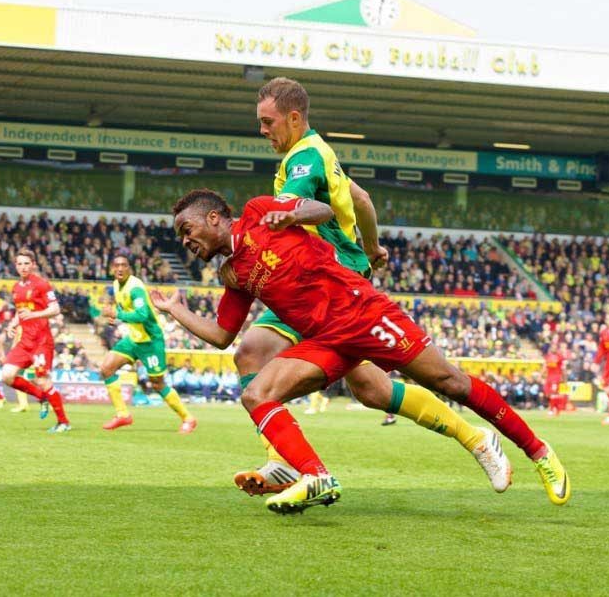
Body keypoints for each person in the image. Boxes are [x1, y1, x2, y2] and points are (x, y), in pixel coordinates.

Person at [155, 190, 569, 513]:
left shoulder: (261, 210)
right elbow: (223, 334)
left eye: (187, 230)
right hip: (326, 340)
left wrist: (294, 215)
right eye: (181, 236)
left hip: (363, 314)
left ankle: (538, 452)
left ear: (213, 218)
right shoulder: (234, 272)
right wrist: (176, 310)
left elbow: (324, 210)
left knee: (451, 382)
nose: (185, 240)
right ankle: (315, 476)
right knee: (256, 394)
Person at [232, 76, 502, 498]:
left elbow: (302, 202)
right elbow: (362, 200)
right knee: (367, 388)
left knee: (369, 384)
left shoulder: (303, 161)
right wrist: (373, 247)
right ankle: (283, 460)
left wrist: (274, 221)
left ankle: (476, 438)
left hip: (333, 285)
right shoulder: (324, 156)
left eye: (268, 122)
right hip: (319, 282)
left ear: (294, 117)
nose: (262, 130)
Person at [98, 255, 196, 433]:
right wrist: (116, 314)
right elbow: (125, 308)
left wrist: (117, 314)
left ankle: (188, 418)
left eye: (124, 265)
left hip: (150, 340)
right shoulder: (115, 284)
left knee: (157, 383)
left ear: (130, 268)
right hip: (134, 338)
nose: (120, 269)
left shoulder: (135, 288)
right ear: (112, 268)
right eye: (116, 265)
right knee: (106, 368)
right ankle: (122, 415)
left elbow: (142, 315)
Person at [1, 249, 71, 434]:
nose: (23, 267)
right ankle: (41, 397)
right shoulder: (16, 288)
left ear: (33, 265)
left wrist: (34, 314)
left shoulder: (42, 284)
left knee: (42, 379)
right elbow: (21, 310)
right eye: (20, 263)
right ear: (16, 266)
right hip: (25, 341)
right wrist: (13, 323)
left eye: (26, 263)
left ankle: (63, 422)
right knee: (7, 375)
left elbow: (55, 308)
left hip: (41, 341)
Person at [543, 346, 566, 417]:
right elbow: (545, 366)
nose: (553, 348)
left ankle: (551, 410)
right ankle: (556, 408)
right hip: (548, 377)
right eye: (552, 347)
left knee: (553, 393)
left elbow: (563, 368)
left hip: (556, 377)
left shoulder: (560, 357)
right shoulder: (547, 356)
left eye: (555, 347)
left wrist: (564, 377)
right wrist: (543, 374)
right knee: (548, 393)